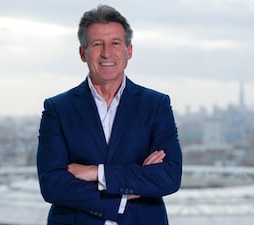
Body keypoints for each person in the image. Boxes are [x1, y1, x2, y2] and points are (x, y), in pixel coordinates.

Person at [36, 4, 182, 225]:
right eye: (97, 44)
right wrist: (124, 195)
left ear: (129, 51)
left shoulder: (156, 105)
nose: (106, 53)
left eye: (115, 43)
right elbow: (52, 185)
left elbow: (169, 177)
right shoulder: (57, 109)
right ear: (82, 53)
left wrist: (97, 173)